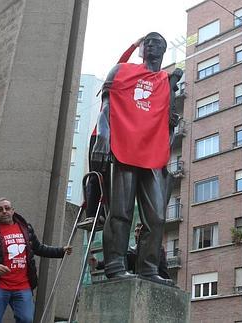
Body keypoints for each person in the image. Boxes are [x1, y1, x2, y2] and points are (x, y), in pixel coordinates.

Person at [90, 32, 182, 285]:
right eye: (148, 42)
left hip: (153, 154)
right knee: (121, 212)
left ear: (164, 51)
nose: (152, 46)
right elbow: (107, 105)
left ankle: (148, 268)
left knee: (157, 217)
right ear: (141, 49)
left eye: (158, 43)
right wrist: (103, 136)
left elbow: (170, 122)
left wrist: (167, 143)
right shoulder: (122, 70)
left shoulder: (166, 81)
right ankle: (115, 264)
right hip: (124, 147)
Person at [0, 198, 72, 323]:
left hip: (22, 286)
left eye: (7, 208)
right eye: (0, 209)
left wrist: (61, 251)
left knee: (26, 319)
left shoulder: (25, 228)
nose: (4, 211)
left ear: (13, 211)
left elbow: (39, 248)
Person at [88, 223, 170, 279]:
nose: (137, 234)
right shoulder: (133, 250)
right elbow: (122, 259)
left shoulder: (157, 248)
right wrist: (98, 264)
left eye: (139, 231)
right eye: (136, 231)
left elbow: (161, 270)